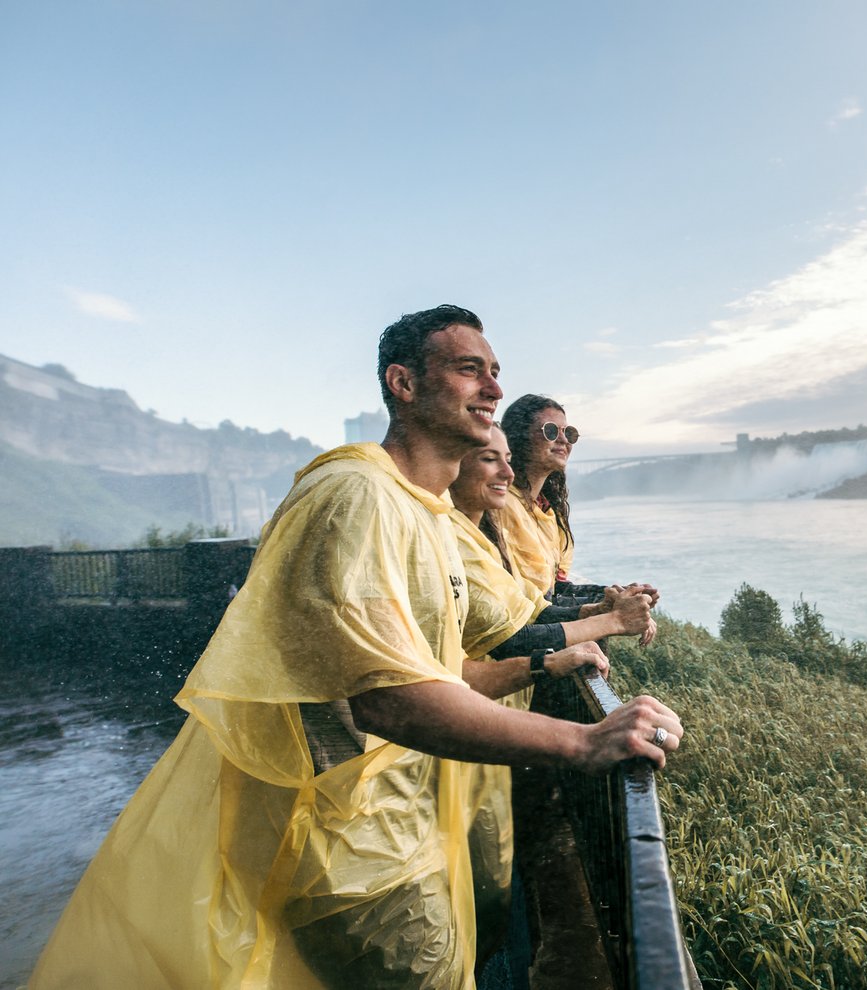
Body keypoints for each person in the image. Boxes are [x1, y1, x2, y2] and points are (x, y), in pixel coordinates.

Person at [29, 305, 683, 990]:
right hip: (351, 849)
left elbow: (443, 668)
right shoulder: (356, 496)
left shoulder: (421, 512)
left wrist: (560, 651)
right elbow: (391, 701)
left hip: (406, 826)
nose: (492, 389)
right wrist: (581, 741)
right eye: (469, 370)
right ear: (402, 384)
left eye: (495, 373)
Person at [447, 423, 654, 962]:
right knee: (474, 887)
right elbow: (511, 635)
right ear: (452, 462)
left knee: (486, 877)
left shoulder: (482, 533)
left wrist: (595, 611)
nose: (508, 473)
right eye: (550, 430)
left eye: (573, 432)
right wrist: (606, 622)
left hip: (488, 724)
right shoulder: (455, 537)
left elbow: (533, 607)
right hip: (466, 734)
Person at [498, 394, 659, 623]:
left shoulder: (548, 512)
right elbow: (524, 608)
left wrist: (620, 595)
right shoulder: (501, 506)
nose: (564, 440)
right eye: (551, 431)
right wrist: (606, 609)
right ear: (519, 438)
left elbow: (556, 591)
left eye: (569, 433)